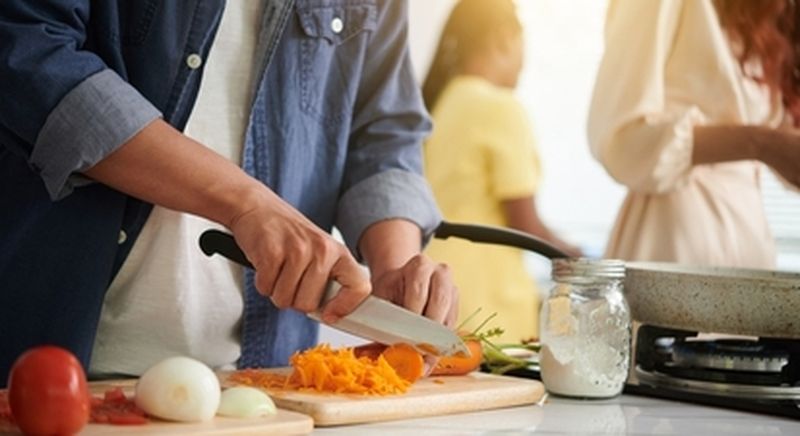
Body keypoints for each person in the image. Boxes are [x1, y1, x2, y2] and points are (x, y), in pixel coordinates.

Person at [0, 0, 458, 385]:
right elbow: (28, 52)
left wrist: (396, 267)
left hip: (263, 385)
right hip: (50, 363)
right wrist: (246, 203)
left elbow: (382, 129)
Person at [588, 0, 800, 268]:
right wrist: (761, 144)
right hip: (675, 241)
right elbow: (621, 143)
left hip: (751, 242)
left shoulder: (760, 19)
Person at [421, 0, 581, 342]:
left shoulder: (442, 102)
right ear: (504, 37)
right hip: (488, 301)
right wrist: (578, 259)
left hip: (438, 291)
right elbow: (525, 223)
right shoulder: (499, 106)